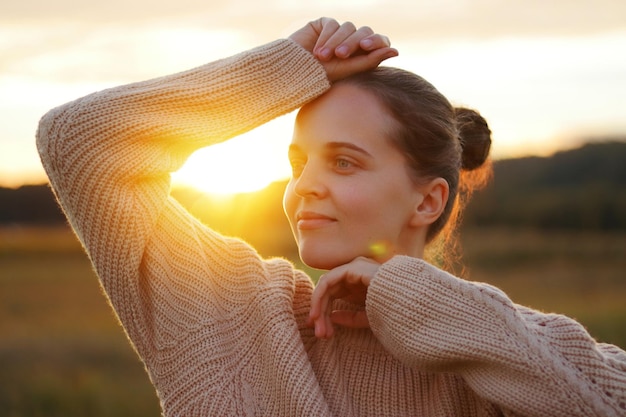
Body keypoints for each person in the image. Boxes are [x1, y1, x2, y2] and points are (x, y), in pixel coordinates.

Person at [37, 17, 625, 417]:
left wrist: (412, 295)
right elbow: (78, 143)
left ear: (428, 201)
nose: (304, 187)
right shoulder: (232, 310)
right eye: (298, 163)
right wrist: (291, 67)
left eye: (343, 163)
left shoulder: (506, 344)